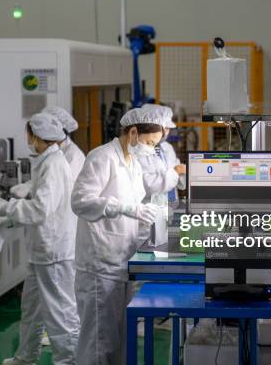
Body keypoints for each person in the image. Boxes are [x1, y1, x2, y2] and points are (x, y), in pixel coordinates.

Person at [71, 107, 164, 365]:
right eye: (149, 142)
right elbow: (80, 202)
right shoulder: (102, 157)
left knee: (120, 341)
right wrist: (126, 208)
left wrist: (149, 225)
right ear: (133, 133)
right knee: (99, 344)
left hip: (122, 262)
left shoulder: (132, 163)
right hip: (100, 266)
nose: (150, 149)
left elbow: (133, 210)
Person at [0, 112, 79, 365]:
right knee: (31, 308)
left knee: (59, 311)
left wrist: (7, 207)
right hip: (43, 249)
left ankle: (69, 360)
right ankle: (25, 357)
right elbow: (43, 206)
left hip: (53, 251)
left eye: (28, 133)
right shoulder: (48, 159)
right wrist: (11, 218)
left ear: (35, 135)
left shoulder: (54, 164)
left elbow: (42, 209)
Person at [10, 106, 85, 198]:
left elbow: (59, 189)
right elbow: (46, 178)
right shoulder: (54, 151)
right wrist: (28, 185)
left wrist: (30, 191)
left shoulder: (73, 156)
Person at [139, 104, 186, 201]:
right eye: (163, 128)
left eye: (168, 129)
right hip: (151, 209)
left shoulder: (167, 147)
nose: (165, 133)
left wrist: (183, 173)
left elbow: (181, 183)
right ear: (150, 127)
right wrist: (175, 172)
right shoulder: (139, 150)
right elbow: (149, 186)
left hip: (172, 204)